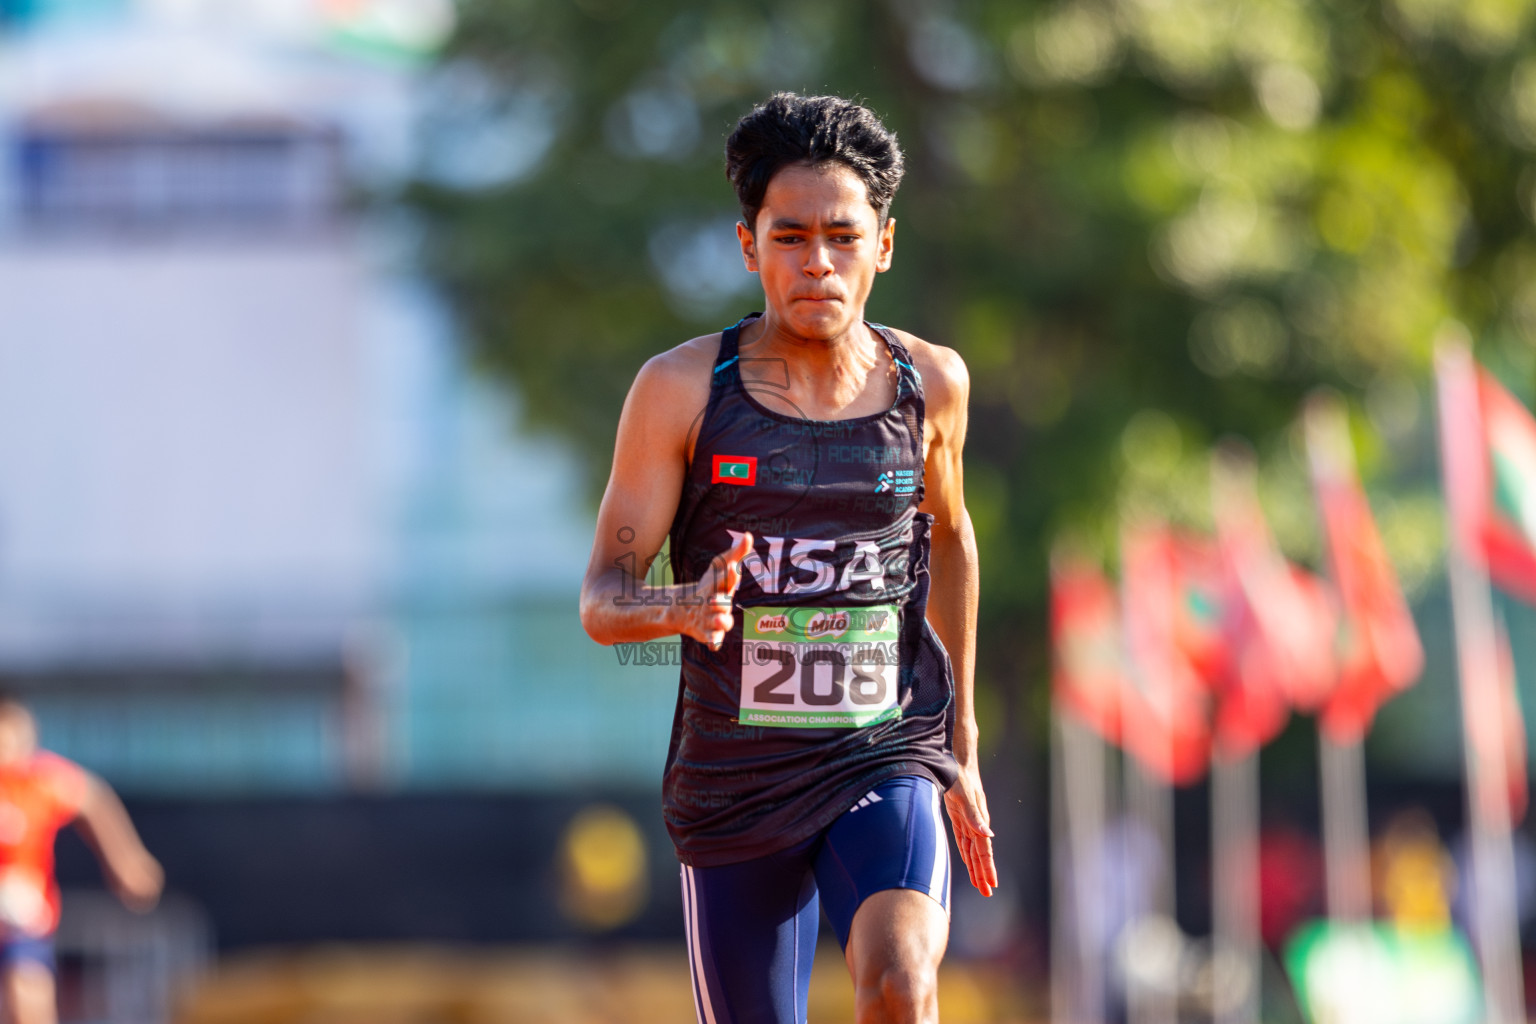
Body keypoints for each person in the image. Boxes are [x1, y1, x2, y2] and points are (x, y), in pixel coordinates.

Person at [580, 92, 995, 1023]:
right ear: (748, 246)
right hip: (735, 782)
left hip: (883, 751)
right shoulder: (682, 390)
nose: (819, 264)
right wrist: (681, 607)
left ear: (883, 245)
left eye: (844, 238)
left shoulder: (930, 384)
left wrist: (959, 742)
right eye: (791, 237)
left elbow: (955, 539)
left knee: (901, 983)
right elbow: (603, 599)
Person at [0, 695, 163, 1024]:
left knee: (28, 999)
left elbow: (94, 800)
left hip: (22, 920)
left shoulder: (41, 781)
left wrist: (126, 860)